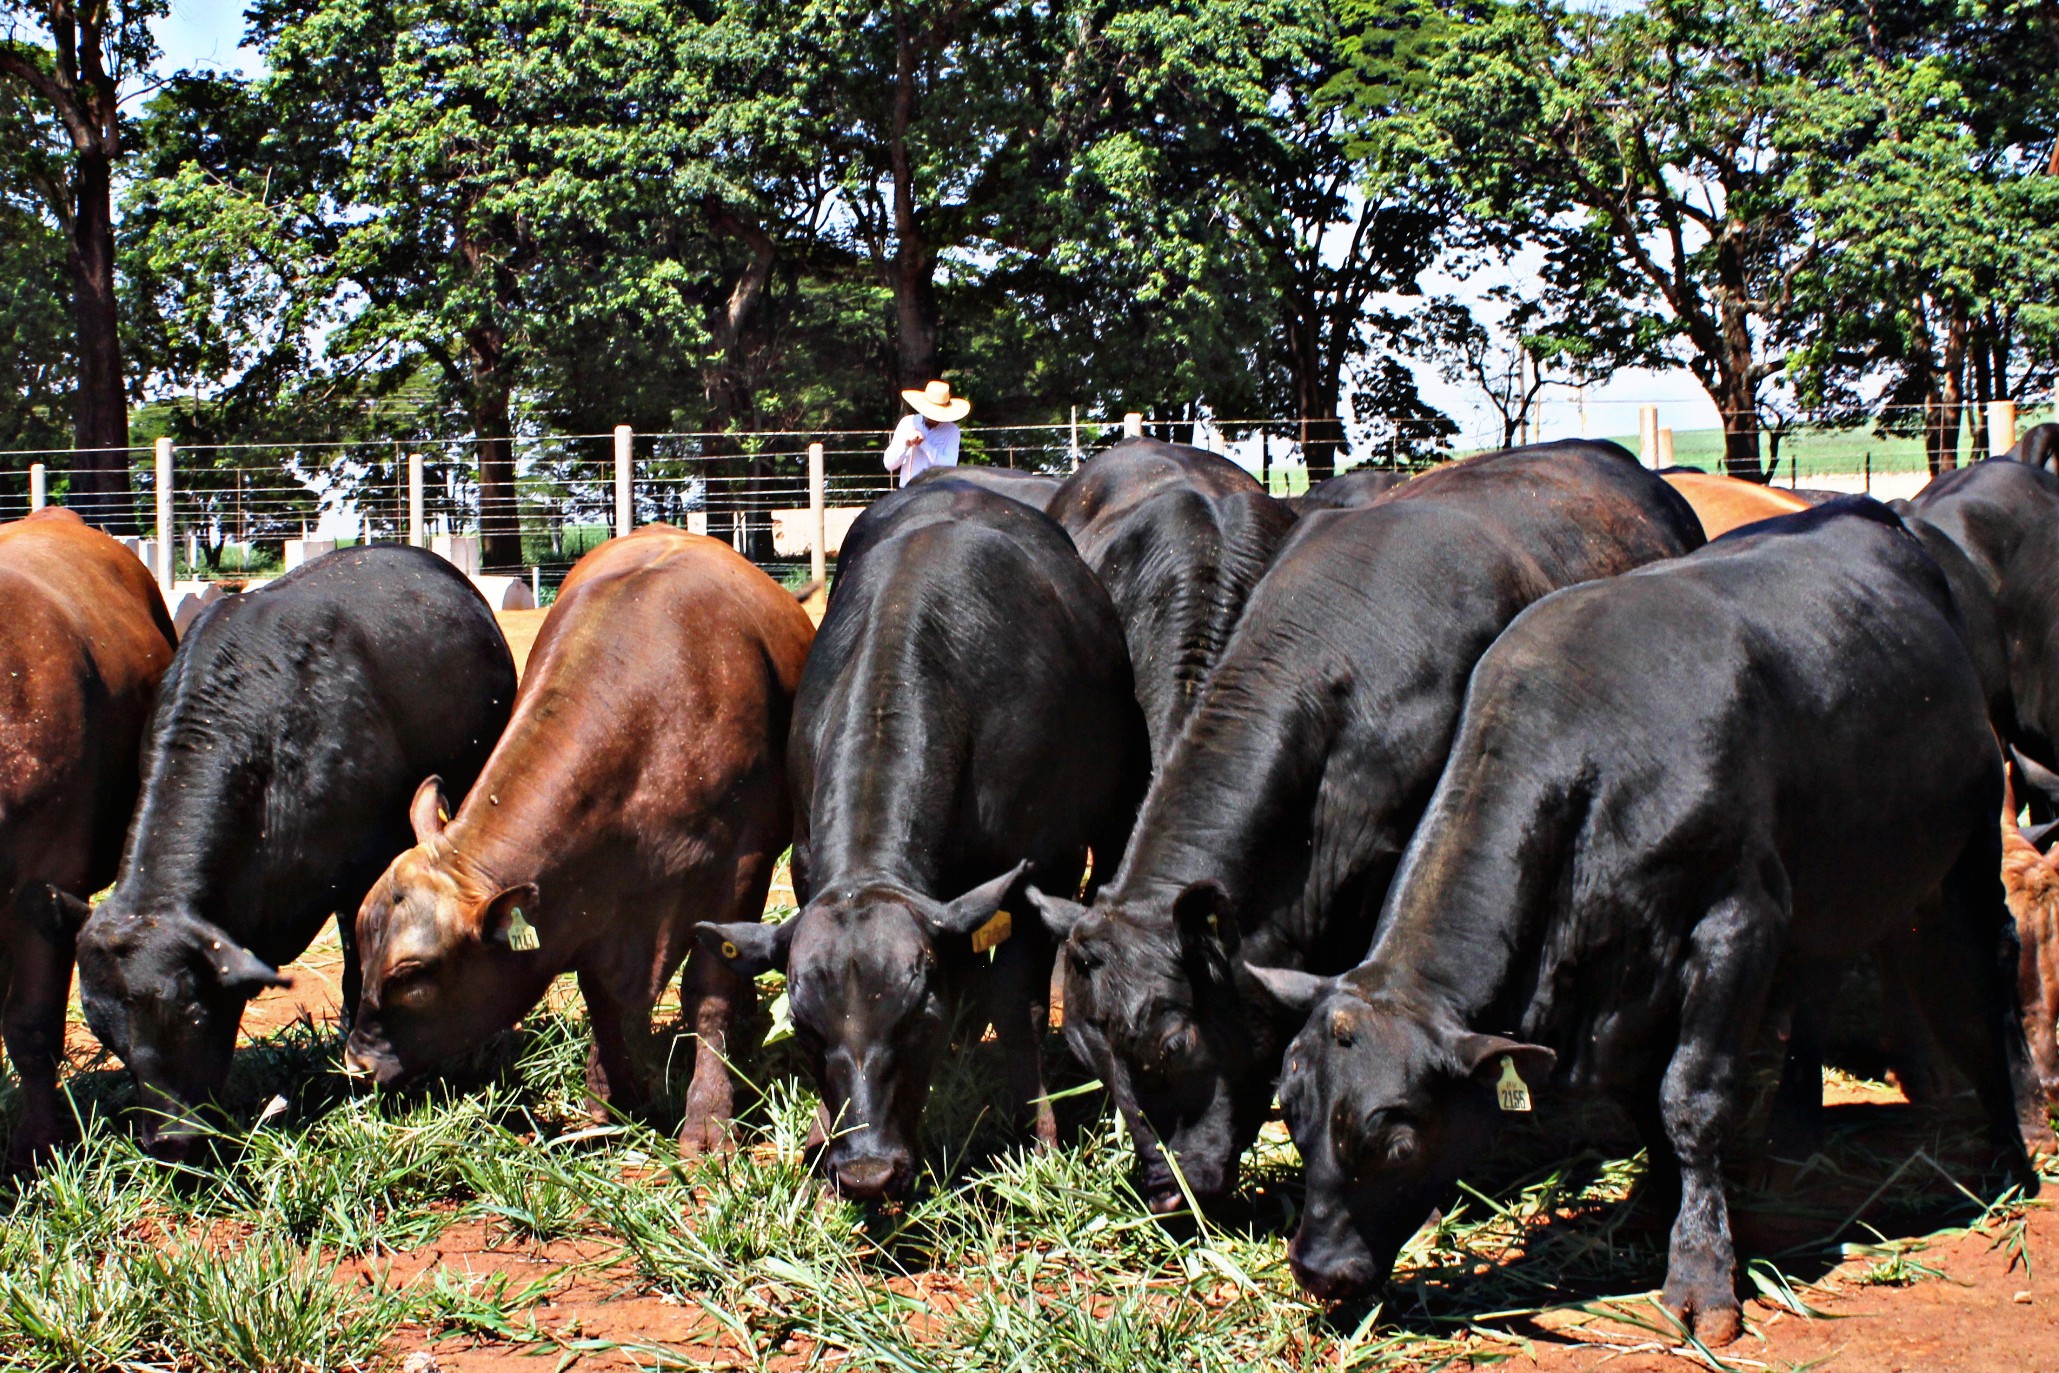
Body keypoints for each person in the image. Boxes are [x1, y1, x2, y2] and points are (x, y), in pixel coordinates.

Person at [883, 380, 969, 486]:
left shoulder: (952, 431)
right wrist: (906, 444)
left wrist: (924, 444)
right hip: (908, 492)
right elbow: (889, 464)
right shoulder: (908, 423)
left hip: (937, 491)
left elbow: (949, 467)